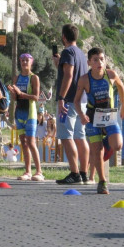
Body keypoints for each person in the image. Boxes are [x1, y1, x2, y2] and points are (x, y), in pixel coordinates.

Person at [74, 47, 124, 195]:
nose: (99, 62)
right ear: (89, 62)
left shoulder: (110, 74)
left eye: (102, 59)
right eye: (96, 60)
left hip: (109, 115)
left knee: (117, 145)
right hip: (92, 117)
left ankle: (105, 144)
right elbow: (76, 101)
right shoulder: (85, 79)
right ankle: (102, 182)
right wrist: (81, 115)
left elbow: (121, 87)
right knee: (97, 150)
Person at [52, 23, 89, 185]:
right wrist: (59, 64)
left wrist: (61, 97)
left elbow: (68, 75)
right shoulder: (80, 53)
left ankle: (74, 173)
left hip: (69, 100)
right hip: (82, 100)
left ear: (64, 37)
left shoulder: (67, 52)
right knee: (80, 137)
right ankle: (83, 173)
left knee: (66, 136)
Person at [8, 53, 44, 181]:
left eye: (26, 60)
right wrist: (13, 93)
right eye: (22, 60)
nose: (24, 63)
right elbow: (15, 98)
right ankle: (28, 171)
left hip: (30, 113)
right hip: (19, 113)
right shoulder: (16, 78)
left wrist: (21, 93)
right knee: (23, 143)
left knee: (31, 142)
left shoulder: (34, 78)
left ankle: (39, 171)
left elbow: (36, 97)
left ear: (31, 62)